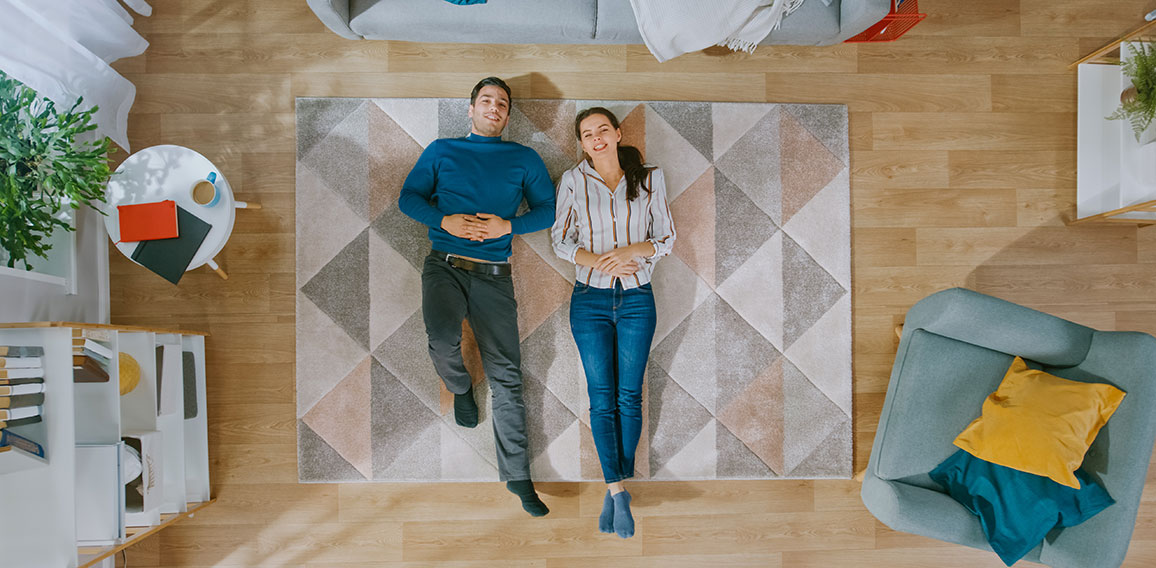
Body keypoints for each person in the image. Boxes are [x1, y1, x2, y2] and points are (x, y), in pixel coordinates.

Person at [398, 77, 555, 517]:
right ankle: (460, 386)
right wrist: (443, 220)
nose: (494, 107)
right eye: (486, 101)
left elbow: (550, 208)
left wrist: (510, 226)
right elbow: (407, 199)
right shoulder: (441, 150)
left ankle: (519, 477)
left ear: (507, 117)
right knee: (443, 339)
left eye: (502, 104)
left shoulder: (524, 158)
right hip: (444, 262)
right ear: (470, 110)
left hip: (495, 275)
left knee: (507, 375)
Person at [551, 107, 676, 538]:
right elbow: (561, 242)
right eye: (588, 134)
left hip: (639, 298)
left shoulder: (649, 178)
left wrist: (631, 253)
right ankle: (618, 489)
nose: (597, 138)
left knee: (629, 395)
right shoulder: (572, 181)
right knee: (601, 398)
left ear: (618, 133)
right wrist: (604, 263)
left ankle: (615, 487)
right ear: (582, 145)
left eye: (603, 129)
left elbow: (666, 239)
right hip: (589, 299)